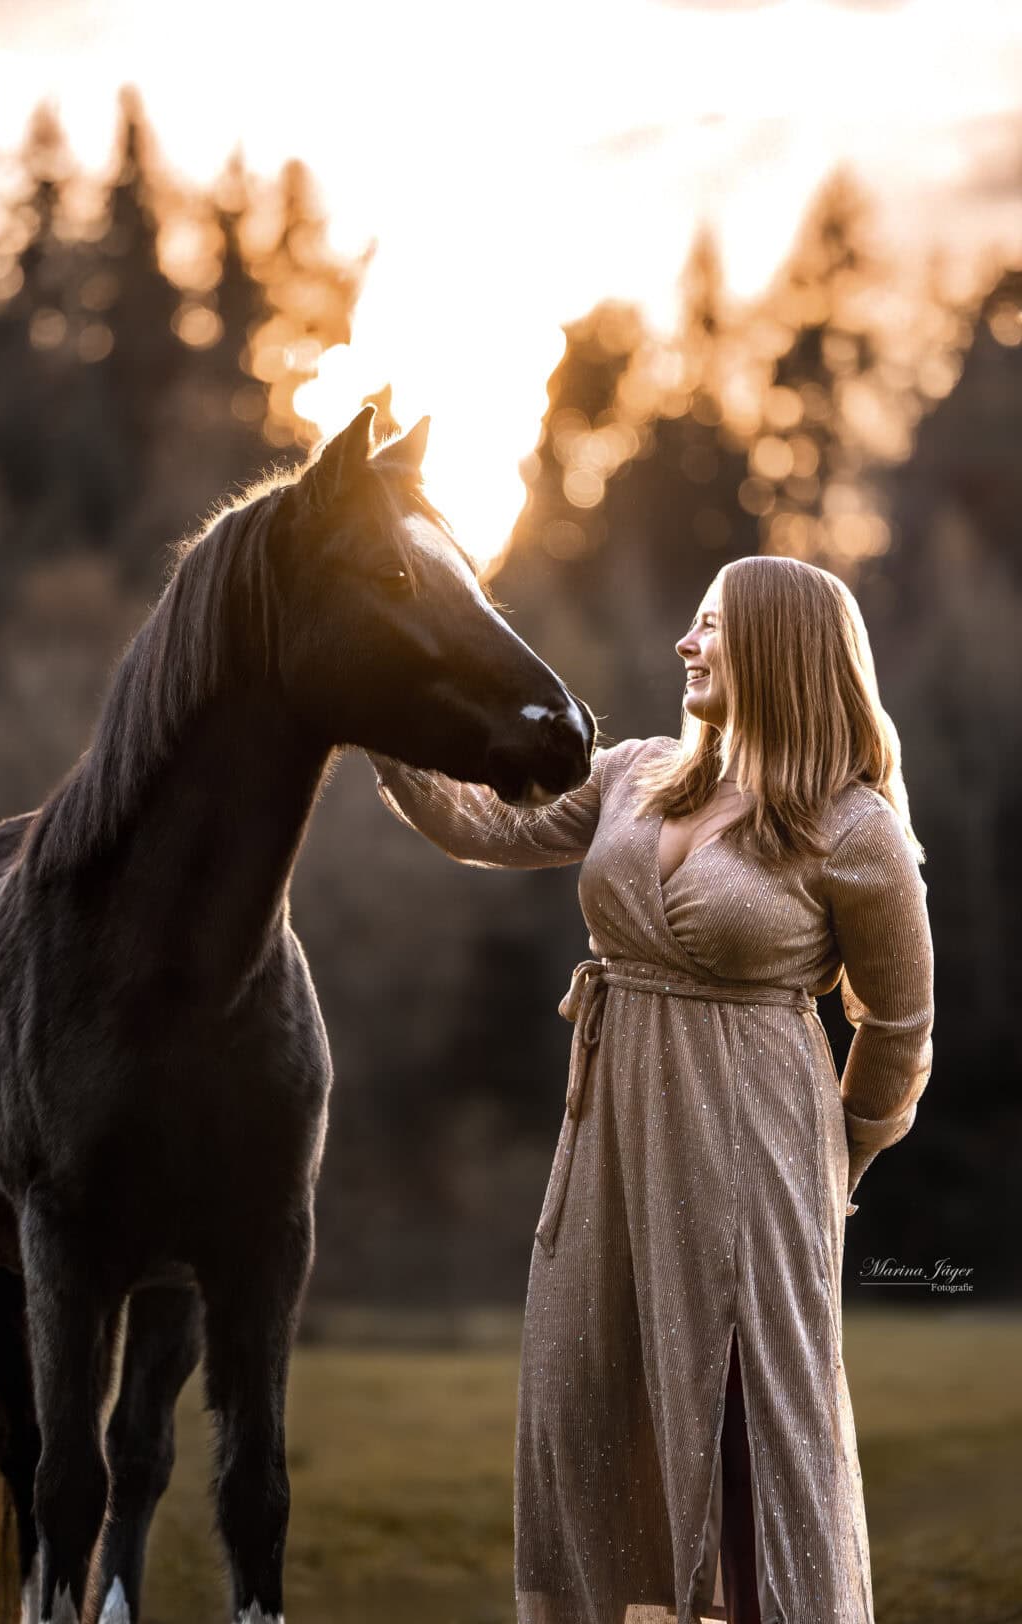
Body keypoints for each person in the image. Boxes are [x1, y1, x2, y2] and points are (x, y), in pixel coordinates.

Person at [366, 554, 934, 1624]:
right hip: (608, 1134)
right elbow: (485, 827)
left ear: (776, 648)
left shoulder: (854, 829)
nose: (685, 643)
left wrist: (834, 1163)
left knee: (740, 1413)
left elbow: (897, 1028)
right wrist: (382, 724)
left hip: (752, 1141)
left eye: (710, 625)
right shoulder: (635, 771)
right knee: (588, 1390)